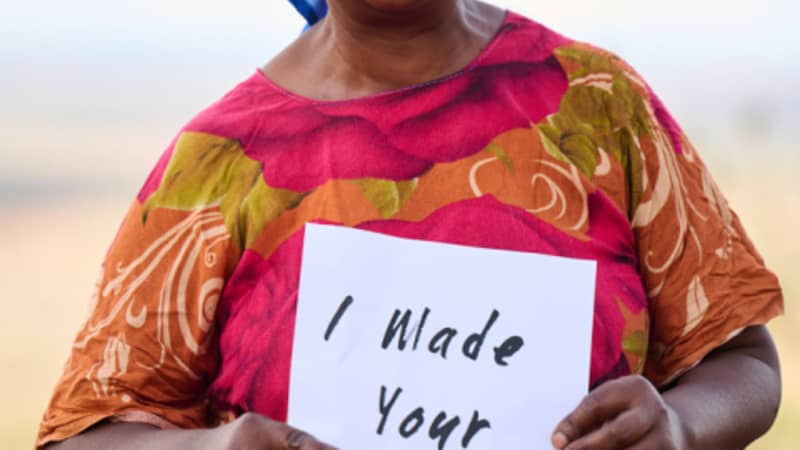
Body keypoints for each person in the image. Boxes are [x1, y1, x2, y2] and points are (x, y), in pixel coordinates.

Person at [38, 1, 784, 449]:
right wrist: (216, 448)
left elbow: (745, 359)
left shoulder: (598, 106)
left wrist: (681, 428)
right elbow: (86, 433)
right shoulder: (218, 164)